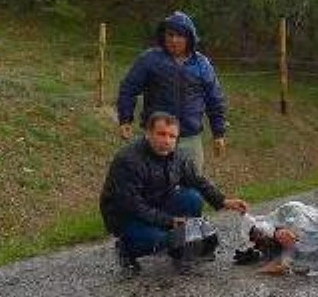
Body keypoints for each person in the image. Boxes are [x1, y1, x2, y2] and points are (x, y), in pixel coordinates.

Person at [100, 111, 248, 273]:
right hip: (126, 216)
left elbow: (197, 180)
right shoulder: (128, 160)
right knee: (159, 239)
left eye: (172, 136)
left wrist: (223, 201)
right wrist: (170, 221)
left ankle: (177, 247)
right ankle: (126, 249)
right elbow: (132, 205)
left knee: (193, 198)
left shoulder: (178, 156)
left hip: (157, 204)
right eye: (161, 134)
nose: (167, 141)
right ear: (148, 133)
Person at [117, 10, 226, 174]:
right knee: (151, 187)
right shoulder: (150, 60)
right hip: (156, 136)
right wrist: (125, 119)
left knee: (192, 190)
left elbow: (215, 99)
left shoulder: (202, 65)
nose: (174, 40)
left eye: (179, 35)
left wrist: (218, 133)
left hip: (190, 139)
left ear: (189, 38)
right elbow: (128, 88)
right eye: (170, 35)